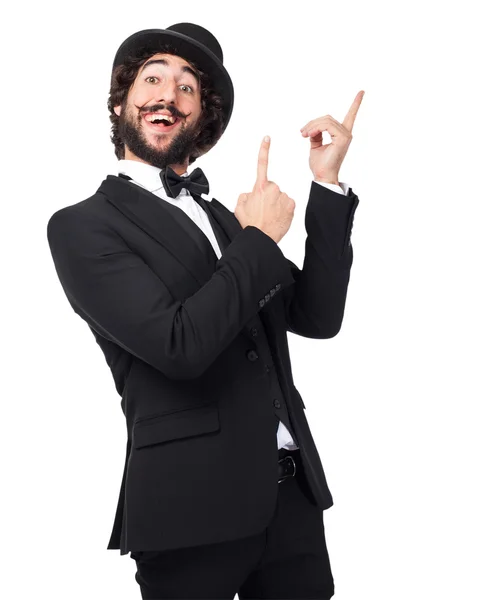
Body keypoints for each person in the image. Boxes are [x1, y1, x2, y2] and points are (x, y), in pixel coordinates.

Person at [46, 22, 363, 600]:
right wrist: (259, 242)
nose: (169, 94)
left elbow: (319, 317)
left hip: (292, 503)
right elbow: (179, 347)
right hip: (187, 514)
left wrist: (327, 185)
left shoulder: (226, 220)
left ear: (202, 121)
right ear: (122, 102)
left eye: (188, 87)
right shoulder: (81, 226)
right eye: (153, 78)